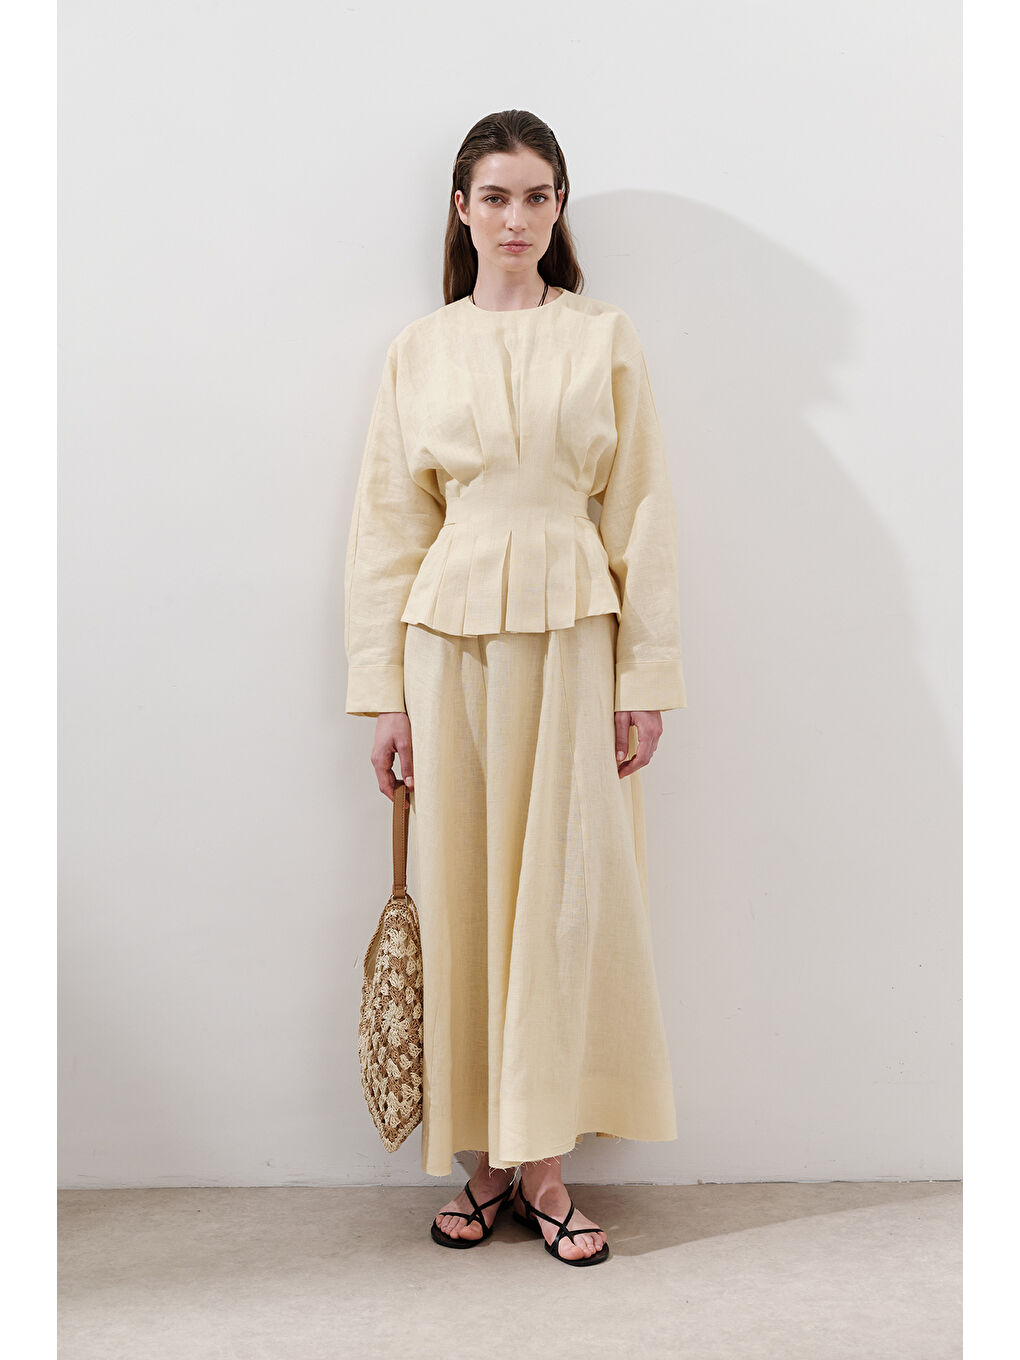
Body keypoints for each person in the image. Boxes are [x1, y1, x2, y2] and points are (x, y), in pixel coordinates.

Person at [343, 109, 687, 1267]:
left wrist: (645, 676)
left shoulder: (604, 338)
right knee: (463, 889)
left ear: (558, 209)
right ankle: (483, 1159)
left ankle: (544, 1164)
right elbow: (388, 530)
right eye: (495, 196)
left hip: (575, 633)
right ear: (461, 208)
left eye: (538, 196)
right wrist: (384, 696)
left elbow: (642, 512)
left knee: (565, 895)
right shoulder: (419, 349)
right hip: (446, 644)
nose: (516, 218)